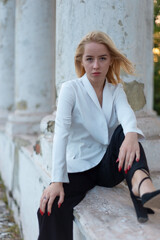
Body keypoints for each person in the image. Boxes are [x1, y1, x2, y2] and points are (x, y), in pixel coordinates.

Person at [37, 31, 160, 240]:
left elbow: (127, 115)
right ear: (81, 61)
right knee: (49, 207)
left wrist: (131, 134)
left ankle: (143, 186)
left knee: (126, 132)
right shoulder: (70, 89)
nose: (96, 65)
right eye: (90, 59)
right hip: (79, 167)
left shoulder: (116, 91)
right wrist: (57, 180)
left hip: (108, 167)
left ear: (110, 60)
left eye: (102, 58)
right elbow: (61, 135)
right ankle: (142, 187)